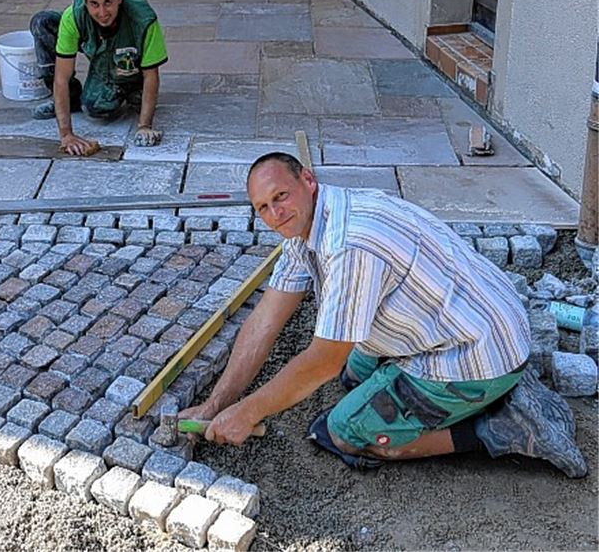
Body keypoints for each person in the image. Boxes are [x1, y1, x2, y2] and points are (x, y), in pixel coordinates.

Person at [179, 152, 587, 477]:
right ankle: (480, 396)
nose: (275, 214)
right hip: (466, 321)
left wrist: (248, 413)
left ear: (307, 180)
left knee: (343, 432)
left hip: (476, 352)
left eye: (280, 197)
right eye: (263, 207)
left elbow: (323, 360)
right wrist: (219, 403)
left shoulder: (349, 244)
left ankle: (503, 429)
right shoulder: (314, 223)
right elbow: (264, 321)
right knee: (354, 376)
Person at [29, 0, 168, 156]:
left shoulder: (143, 20)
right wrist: (66, 134)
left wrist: (145, 125)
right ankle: (67, 98)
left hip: (125, 63)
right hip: (96, 44)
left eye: (108, 2)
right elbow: (61, 76)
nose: (102, 12)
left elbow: (151, 75)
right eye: (94, 4)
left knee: (95, 107)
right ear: (85, 3)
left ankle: (130, 90)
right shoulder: (74, 16)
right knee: (42, 22)